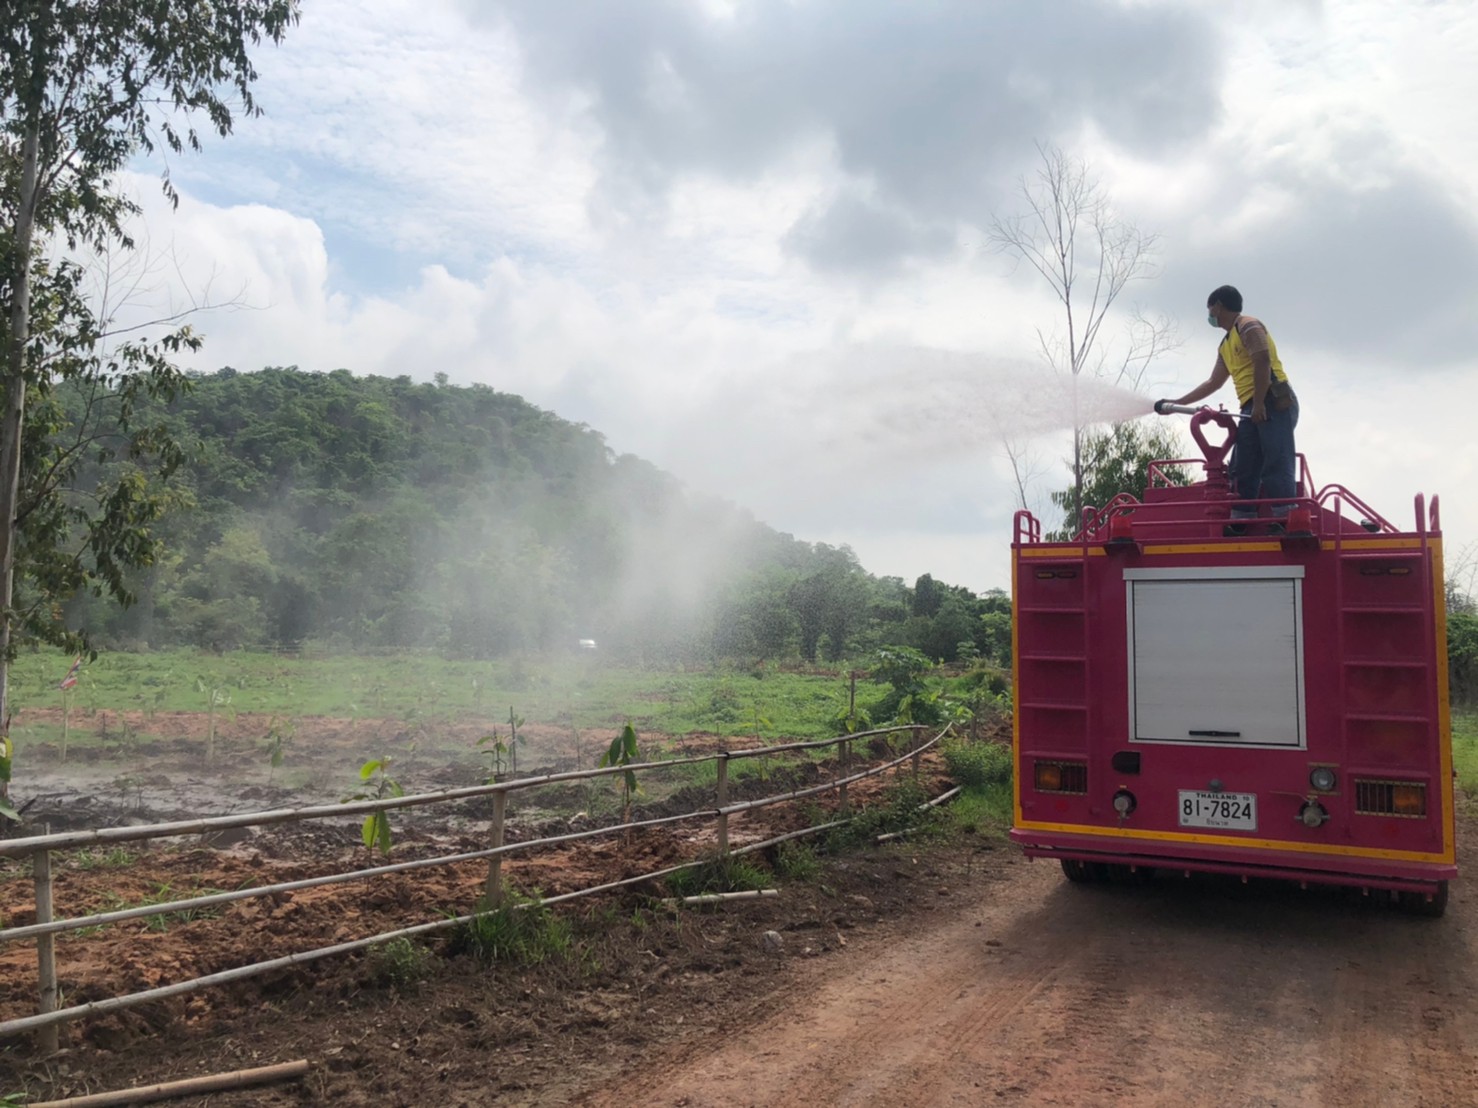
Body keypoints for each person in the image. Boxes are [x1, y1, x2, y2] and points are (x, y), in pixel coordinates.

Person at [1158, 285, 1299, 534]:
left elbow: (1263, 360)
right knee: (1243, 464)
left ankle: (1286, 519)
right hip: (1250, 407)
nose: (1209, 315)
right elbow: (1213, 382)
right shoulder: (1225, 345)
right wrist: (1177, 403)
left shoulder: (1248, 325)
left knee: (1276, 458)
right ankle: (1241, 520)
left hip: (1271, 401)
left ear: (1218, 305)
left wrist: (1257, 404)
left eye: (1210, 309)